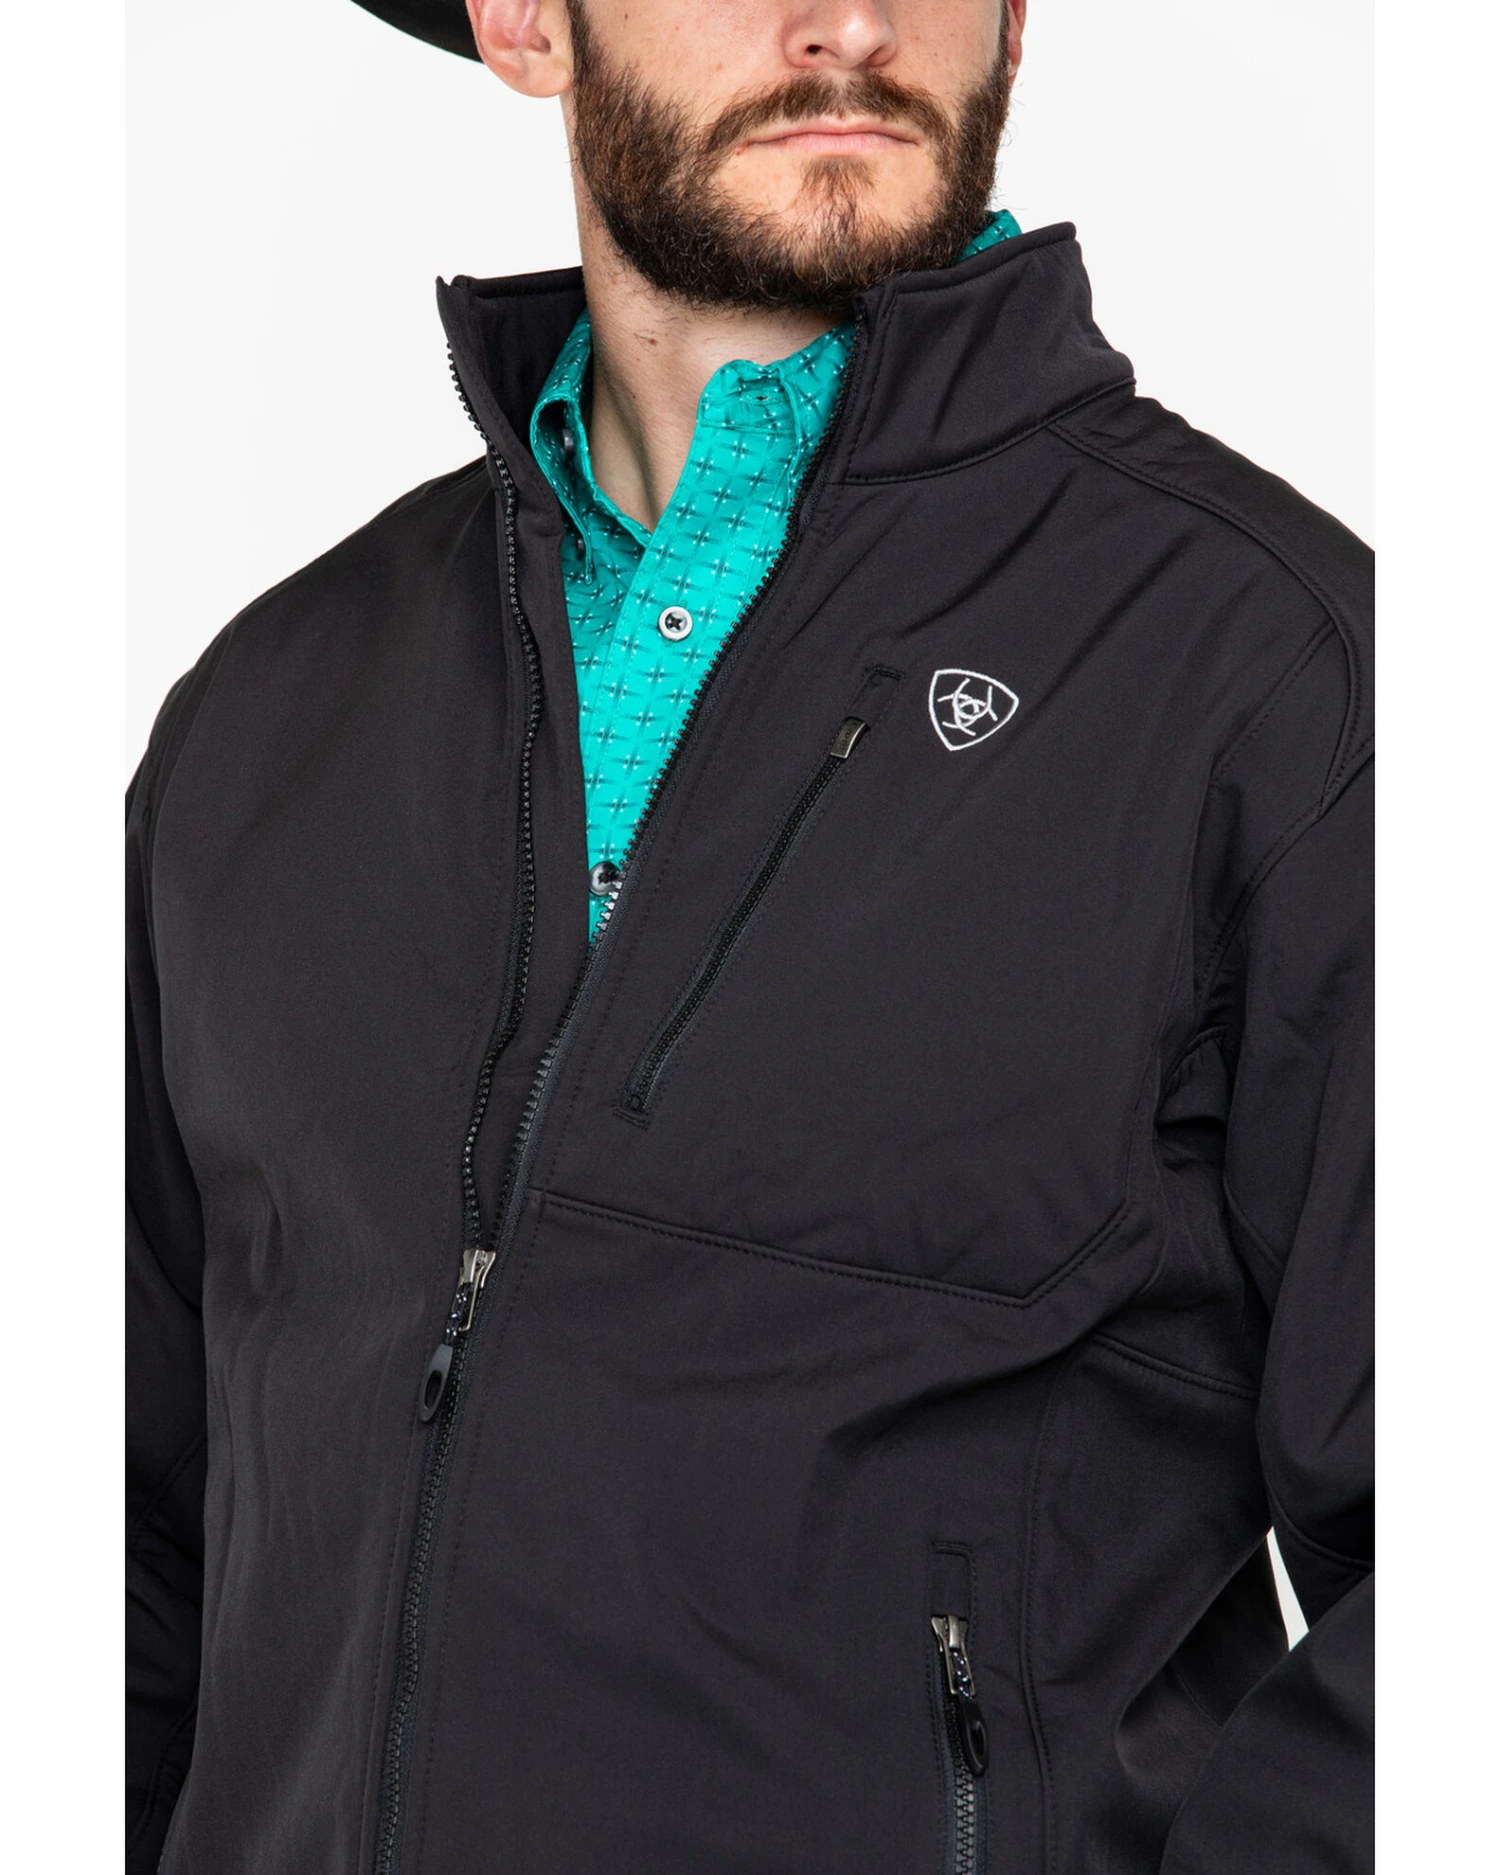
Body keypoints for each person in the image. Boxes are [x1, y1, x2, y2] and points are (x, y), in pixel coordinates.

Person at [125, 1, 1373, 1870]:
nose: (850, 23)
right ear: (527, 20)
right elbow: (122, 1549)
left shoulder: (1280, 680)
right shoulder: (265, 719)